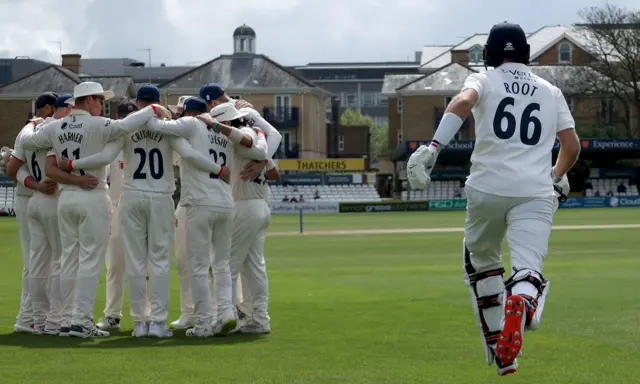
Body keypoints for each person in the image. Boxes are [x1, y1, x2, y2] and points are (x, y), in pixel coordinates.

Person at [406, 22, 580, 376]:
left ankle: (502, 349)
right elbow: (572, 146)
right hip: (534, 192)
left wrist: (434, 147)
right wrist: (556, 176)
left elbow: (462, 102)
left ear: (489, 54)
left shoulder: (484, 80)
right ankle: (521, 300)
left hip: (487, 189)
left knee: (481, 262)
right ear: (526, 55)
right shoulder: (550, 91)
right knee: (527, 269)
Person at [61, 86, 225, 338]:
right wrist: (219, 169)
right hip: (160, 197)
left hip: (131, 196)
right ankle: (158, 323)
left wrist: (74, 164)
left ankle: (140, 323)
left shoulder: (127, 126)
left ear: (137, 102)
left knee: (135, 262)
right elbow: (190, 154)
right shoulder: (169, 127)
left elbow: (106, 156)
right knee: (159, 260)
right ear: (158, 102)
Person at [16, 81, 172, 338]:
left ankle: (66, 319)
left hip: (65, 198)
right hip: (92, 193)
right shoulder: (99, 124)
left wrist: (36, 124)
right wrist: (152, 108)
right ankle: (81, 321)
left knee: (68, 259)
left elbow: (29, 143)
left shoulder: (54, 126)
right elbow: (125, 126)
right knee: (89, 260)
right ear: (89, 100)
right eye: (100, 100)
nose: (102, 105)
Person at [146, 98, 267, 337]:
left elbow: (157, 127)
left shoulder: (191, 123)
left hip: (198, 202)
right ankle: (225, 313)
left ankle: (203, 324)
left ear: (191, 112)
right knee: (221, 264)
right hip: (225, 202)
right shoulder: (225, 134)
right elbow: (255, 146)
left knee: (199, 267)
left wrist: (153, 111)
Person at [209, 102, 279, 334]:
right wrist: (264, 159)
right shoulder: (255, 137)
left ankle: (225, 318)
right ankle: (259, 319)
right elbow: (274, 171)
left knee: (228, 265)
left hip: (245, 205)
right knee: (254, 267)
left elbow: (257, 151)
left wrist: (260, 147)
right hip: (259, 205)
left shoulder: (243, 139)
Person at [7, 91, 59, 333]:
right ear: (48, 108)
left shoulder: (32, 130)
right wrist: (36, 184)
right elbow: (11, 168)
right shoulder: (33, 131)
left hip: (34, 197)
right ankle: (27, 317)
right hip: (30, 198)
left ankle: (35, 316)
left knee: (40, 262)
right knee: (35, 261)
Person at [95, 99, 138, 331]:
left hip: (140, 207)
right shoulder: (110, 140)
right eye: (124, 116)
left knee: (144, 266)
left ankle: (146, 316)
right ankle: (113, 315)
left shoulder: (147, 138)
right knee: (114, 265)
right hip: (116, 207)